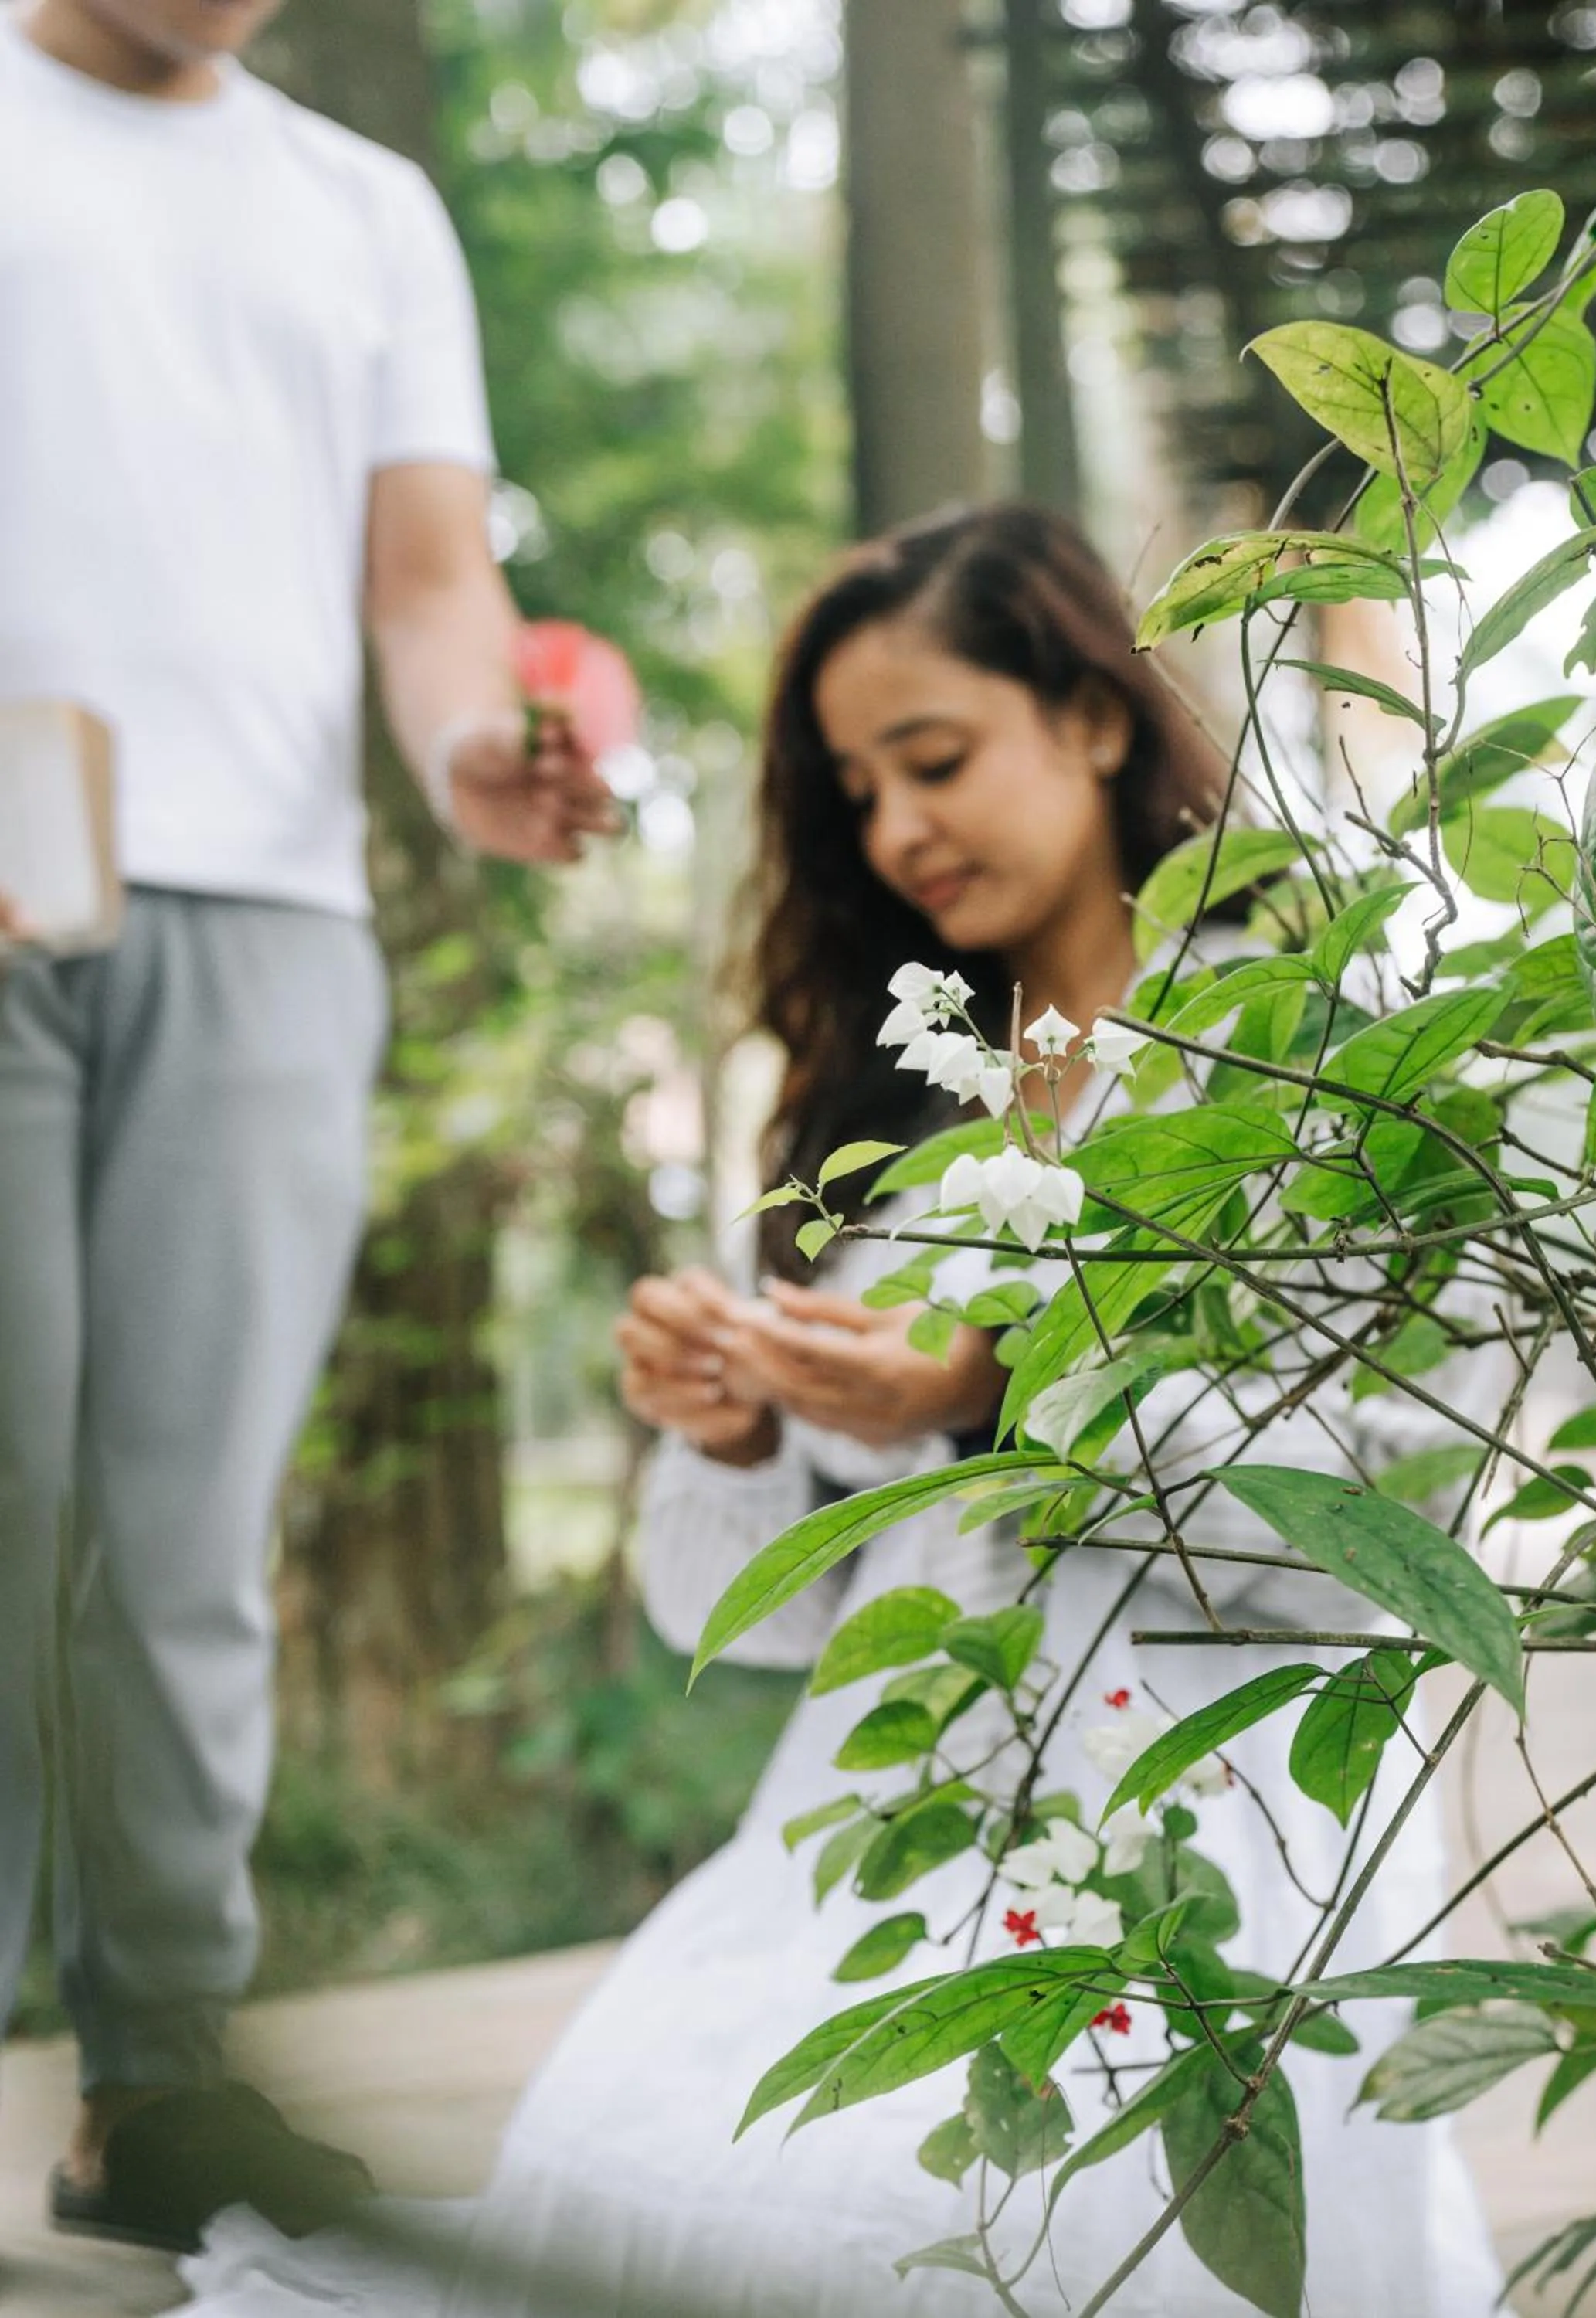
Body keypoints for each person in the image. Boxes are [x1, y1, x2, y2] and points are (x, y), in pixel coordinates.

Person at [172, 505, 1511, 2316]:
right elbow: (752, 1618)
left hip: (1225, 1832)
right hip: (876, 1839)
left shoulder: (1294, 1045)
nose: (895, 831)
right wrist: (736, 1442)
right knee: (644, 2188)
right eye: (857, 789)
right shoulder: (890, 1133)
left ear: (1095, 717)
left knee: (981, 2246)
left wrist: (1001, 1401)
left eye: (935, 760)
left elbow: (1381, 1526)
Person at [0, 0, 613, 2255]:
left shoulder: (366, 210)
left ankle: (155, 2083)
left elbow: (433, 593)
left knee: (175, 1535)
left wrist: (483, 764)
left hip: (264, 909)